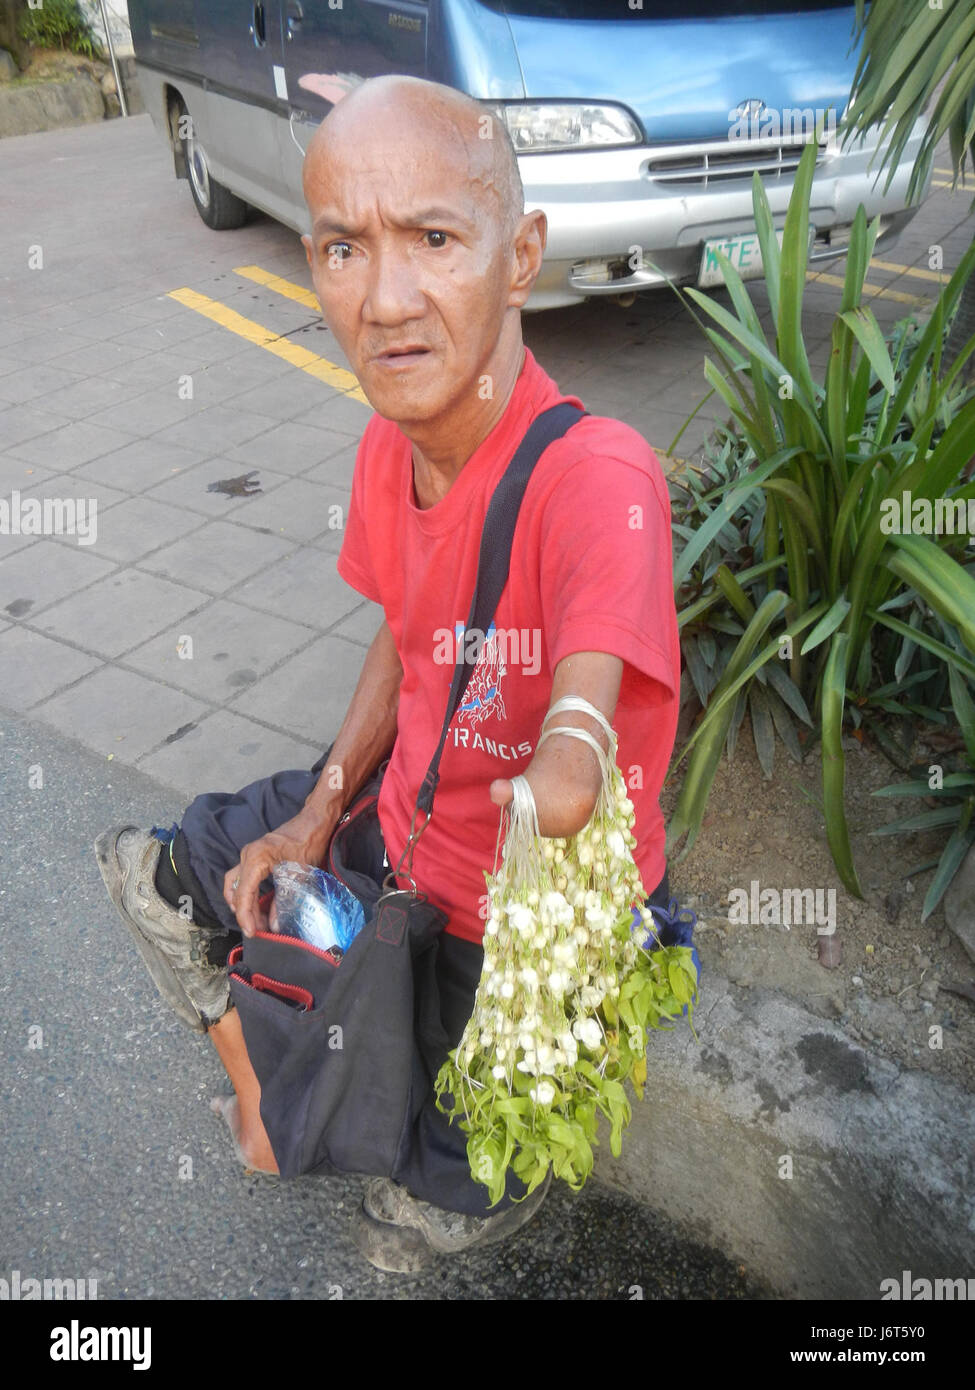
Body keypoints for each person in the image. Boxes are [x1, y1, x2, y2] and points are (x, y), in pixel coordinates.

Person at [94, 74, 688, 1274]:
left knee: (420, 1216)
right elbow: (407, 632)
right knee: (168, 869)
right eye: (342, 248)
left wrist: (568, 750)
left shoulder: (600, 478)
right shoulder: (390, 442)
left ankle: (344, 1096)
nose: (387, 300)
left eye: (433, 238)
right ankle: (278, 1056)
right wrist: (320, 810)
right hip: (391, 837)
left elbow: (590, 670)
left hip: (504, 929)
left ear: (520, 254)